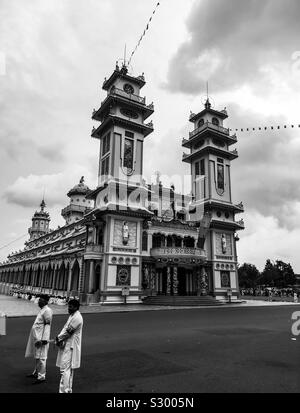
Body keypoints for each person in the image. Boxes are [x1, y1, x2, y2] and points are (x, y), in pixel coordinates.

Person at [55, 299, 83, 393]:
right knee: (68, 369)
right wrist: (58, 338)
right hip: (67, 343)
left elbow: (68, 332)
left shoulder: (77, 318)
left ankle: (63, 391)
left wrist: (58, 339)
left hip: (71, 346)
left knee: (65, 369)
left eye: (70, 307)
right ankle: (68, 390)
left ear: (75, 307)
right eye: (68, 306)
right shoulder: (72, 315)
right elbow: (65, 328)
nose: (68, 308)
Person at [25, 294, 53, 384]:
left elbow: (47, 326)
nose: (38, 301)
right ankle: (36, 372)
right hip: (37, 337)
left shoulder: (47, 310)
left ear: (45, 301)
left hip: (41, 338)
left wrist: (44, 339)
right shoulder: (42, 310)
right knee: (37, 356)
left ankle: (41, 376)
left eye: (40, 300)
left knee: (42, 357)